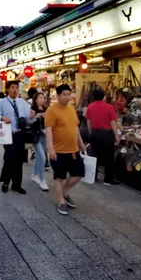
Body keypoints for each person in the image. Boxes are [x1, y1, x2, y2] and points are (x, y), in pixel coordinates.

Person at [45, 84, 86, 216]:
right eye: (65, 94)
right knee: (59, 176)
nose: (68, 97)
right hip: (59, 150)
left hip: (73, 149)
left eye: (69, 94)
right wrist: (50, 148)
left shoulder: (71, 109)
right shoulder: (51, 110)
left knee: (79, 173)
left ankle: (64, 192)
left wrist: (81, 143)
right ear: (58, 96)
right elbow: (49, 130)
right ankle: (61, 201)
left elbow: (75, 127)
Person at [0, 81, 34, 194]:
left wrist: (31, 116)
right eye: (12, 87)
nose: (15, 90)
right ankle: (6, 181)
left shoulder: (23, 103)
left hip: (20, 133)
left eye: (16, 87)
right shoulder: (2, 102)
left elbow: (28, 118)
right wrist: (2, 118)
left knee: (19, 159)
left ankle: (17, 185)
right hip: (8, 134)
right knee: (9, 159)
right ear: (7, 89)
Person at [86, 89, 122, 186]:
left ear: (93, 97)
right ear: (104, 96)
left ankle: (93, 176)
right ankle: (108, 179)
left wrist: (90, 132)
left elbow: (88, 121)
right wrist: (116, 135)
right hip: (106, 134)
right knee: (109, 157)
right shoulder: (109, 107)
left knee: (94, 155)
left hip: (94, 133)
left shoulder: (90, 106)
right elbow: (113, 122)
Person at [30, 92, 49, 191]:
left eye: (43, 97)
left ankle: (34, 175)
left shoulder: (47, 109)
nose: (42, 99)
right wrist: (37, 116)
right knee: (42, 157)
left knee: (39, 156)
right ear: (36, 99)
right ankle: (42, 180)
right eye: (40, 97)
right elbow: (28, 121)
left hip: (45, 135)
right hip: (35, 136)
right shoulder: (33, 110)